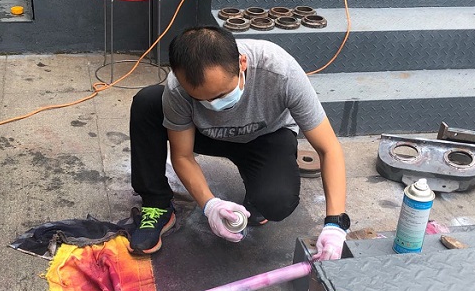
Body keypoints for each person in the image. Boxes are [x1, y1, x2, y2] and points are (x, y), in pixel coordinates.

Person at [129, 26, 350, 260]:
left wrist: (335, 224)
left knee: (276, 202)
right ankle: (157, 204)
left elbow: (328, 148)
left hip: (264, 135)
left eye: (221, 95)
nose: (215, 106)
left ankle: (257, 193)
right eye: (202, 100)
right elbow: (182, 156)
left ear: (242, 63)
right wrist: (210, 205)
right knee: (148, 102)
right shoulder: (178, 87)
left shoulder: (281, 72)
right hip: (205, 134)